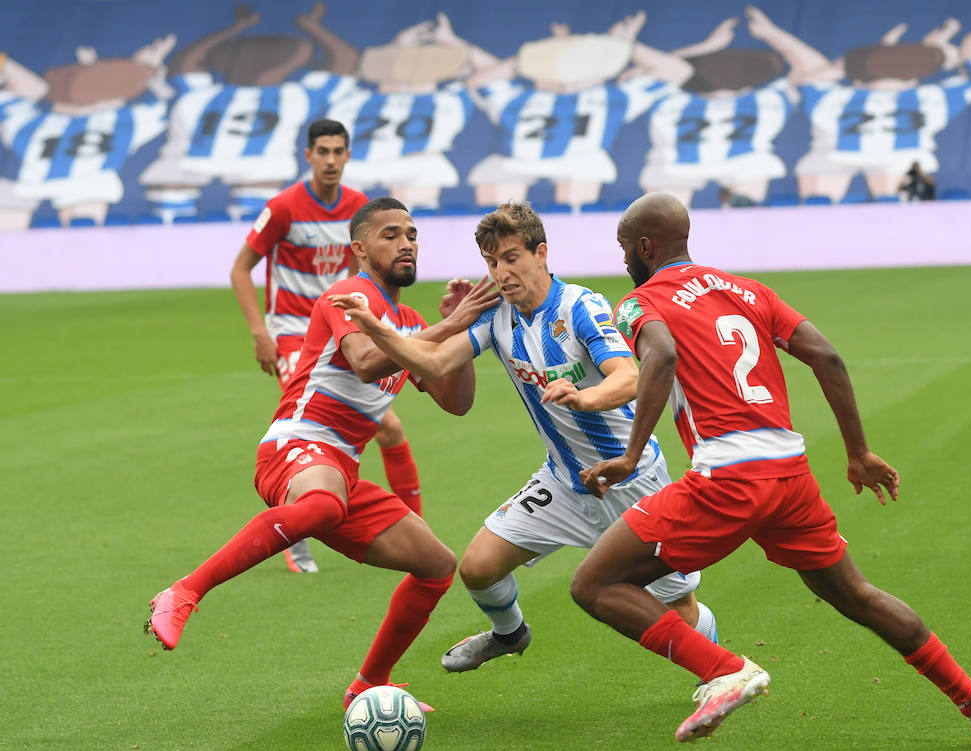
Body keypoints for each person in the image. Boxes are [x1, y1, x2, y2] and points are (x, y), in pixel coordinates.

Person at [564, 192, 971, 745]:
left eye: (623, 248)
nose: (622, 260)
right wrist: (858, 453)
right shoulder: (748, 290)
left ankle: (725, 670)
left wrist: (631, 456)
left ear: (644, 247)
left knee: (594, 583)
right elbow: (827, 356)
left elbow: (661, 354)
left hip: (727, 478)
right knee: (856, 595)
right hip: (790, 475)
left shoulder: (639, 302)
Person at [336, 202, 720, 679]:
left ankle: (722, 671)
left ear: (541, 253)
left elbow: (629, 378)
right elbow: (434, 363)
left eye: (511, 258)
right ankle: (509, 633)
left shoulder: (580, 306)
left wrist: (584, 397)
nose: (501, 273)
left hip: (629, 484)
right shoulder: (497, 316)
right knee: (478, 567)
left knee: (679, 610)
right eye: (492, 262)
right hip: (564, 483)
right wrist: (377, 328)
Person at [148, 197, 500, 711]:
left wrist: (460, 332)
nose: (406, 243)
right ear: (360, 250)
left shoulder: (410, 319)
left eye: (411, 234)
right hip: (293, 446)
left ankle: (368, 683)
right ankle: (184, 591)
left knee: (437, 565)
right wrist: (446, 329)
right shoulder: (346, 295)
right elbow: (364, 361)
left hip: (339, 471)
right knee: (325, 505)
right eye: (390, 235)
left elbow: (457, 402)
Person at [229, 119, 425, 574]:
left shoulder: (361, 210)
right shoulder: (283, 207)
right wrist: (260, 333)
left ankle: (414, 525)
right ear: (309, 156)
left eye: (339, 151)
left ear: (348, 156)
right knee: (310, 427)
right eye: (323, 151)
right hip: (294, 334)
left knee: (391, 429)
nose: (331, 160)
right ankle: (294, 538)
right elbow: (241, 268)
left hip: (344, 325)